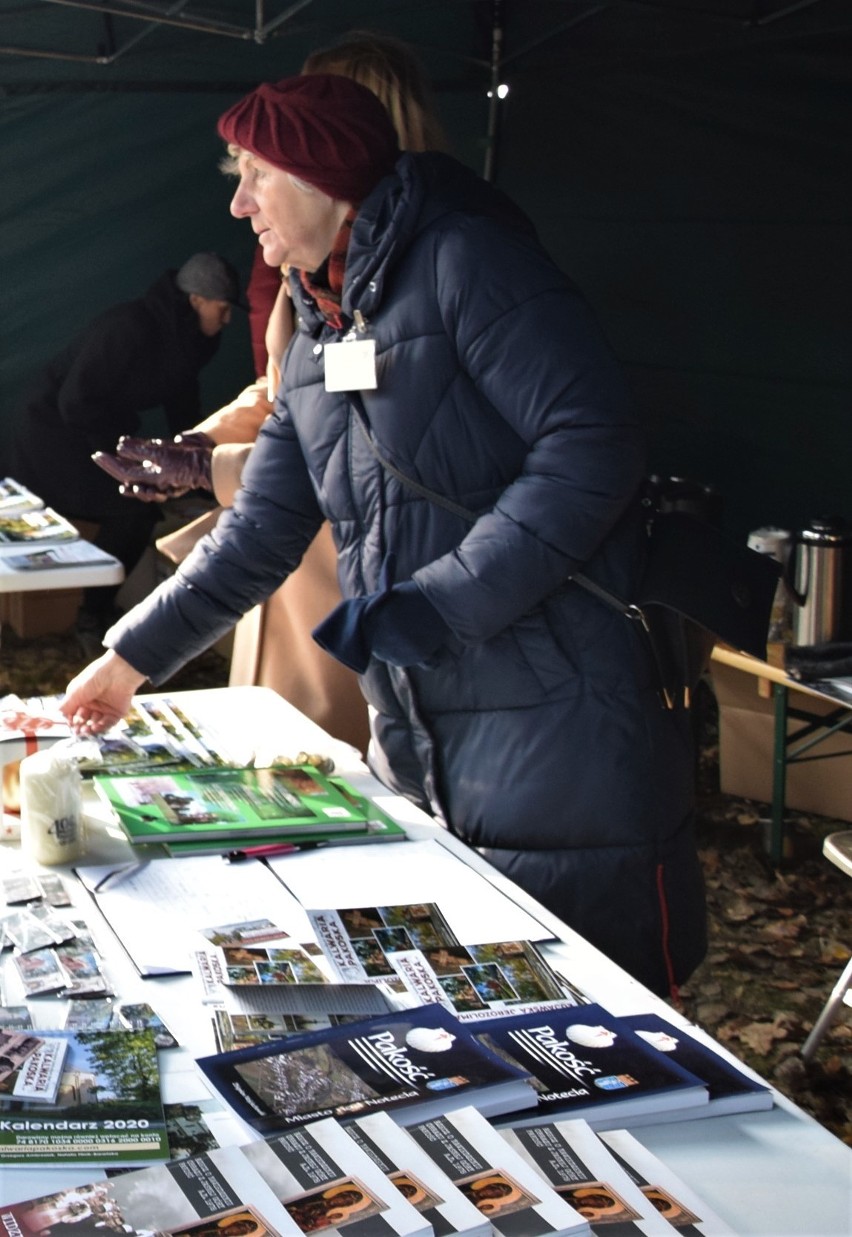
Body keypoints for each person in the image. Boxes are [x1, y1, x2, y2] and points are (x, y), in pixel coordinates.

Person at [60, 73, 707, 996]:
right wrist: (127, 661)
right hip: (417, 721)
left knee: (604, 1001)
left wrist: (441, 603)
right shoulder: (322, 329)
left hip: (559, 712)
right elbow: (260, 532)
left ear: (322, 177)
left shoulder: (468, 262)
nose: (239, 205)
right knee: (477, 1003)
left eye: (254, 175)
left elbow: (594, 444)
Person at [91, 31, 446, 756]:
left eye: (267, 163)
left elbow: (356, 445)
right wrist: (202, 443)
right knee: (285, 754)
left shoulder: (433, 266)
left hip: (345, 554)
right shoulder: (315, 269)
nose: (242, 203)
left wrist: (212, 468)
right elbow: (290, 392)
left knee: (330, 758)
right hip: (290, 537)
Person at [9, 251, 244, 635]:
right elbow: (75, 402)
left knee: (152, 501)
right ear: (196, 301)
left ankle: (100, 611)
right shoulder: (129, 328)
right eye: (223, 308)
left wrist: (198, 464)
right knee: (134, 512)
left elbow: (184, 407)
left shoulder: (190, 341)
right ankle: (92, 617)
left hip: (92, 431)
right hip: (49, 436)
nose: (228, 318)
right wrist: (124, 461)